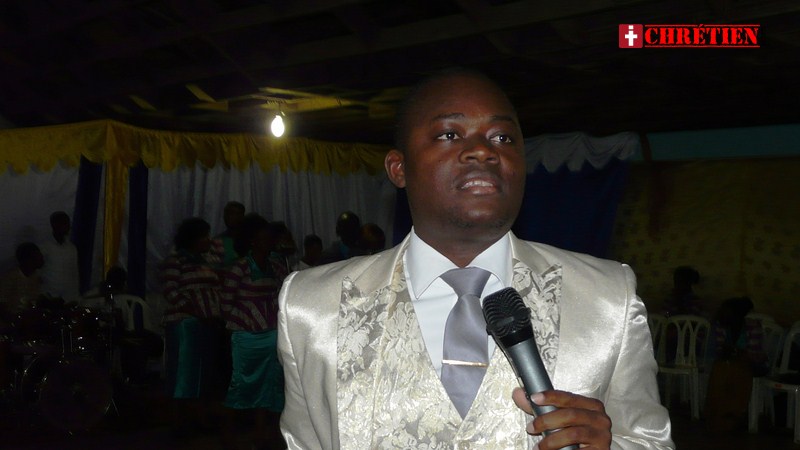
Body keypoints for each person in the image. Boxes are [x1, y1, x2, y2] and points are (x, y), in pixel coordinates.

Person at [277, 69, 673, 449]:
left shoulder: (608, 297)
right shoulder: (310, 306)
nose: (484, 150)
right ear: (399, 168)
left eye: (502, 137)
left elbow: (651, 442)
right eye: (449, 134)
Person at [221, 216, 286, 449]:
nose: (269, 242)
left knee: (270, 383)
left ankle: (262, 433)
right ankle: (228, 434)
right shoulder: (239, 267)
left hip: (271, 334)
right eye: (263, 238)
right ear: (252, 241)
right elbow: (226, 303)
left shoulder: (276, 265)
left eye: (269, 238)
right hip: (246, 336)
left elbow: (282, 294)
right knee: (241, 383)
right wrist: (244, 321)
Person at [159, 217, 225, 434]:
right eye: (204, 236)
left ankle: (199, 418)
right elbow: (171, 292)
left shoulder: (209, 261)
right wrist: (197, 312)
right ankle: (178, 421)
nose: (208, 240)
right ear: (192, 239)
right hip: (185, 324)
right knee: (183, 372)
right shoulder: (175, 261)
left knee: (204, 372)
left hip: (208, 323)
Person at [39, 211, 80, 302]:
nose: (68, 226)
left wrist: (76, 297)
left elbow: (74, 274)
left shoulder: (72, 248)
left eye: (68, 223)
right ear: (54, 225)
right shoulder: (45, 247)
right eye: (64, 223)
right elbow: (37, 274)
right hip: (50, 299)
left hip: (68, 299)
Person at [212, 201, 246, 267]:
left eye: (233, 213)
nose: (229, 216)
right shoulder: (218, 240)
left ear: (242, 216)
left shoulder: (250, 239)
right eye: (227, 213)